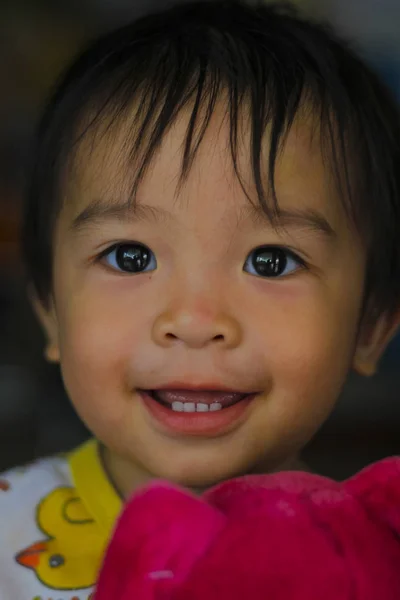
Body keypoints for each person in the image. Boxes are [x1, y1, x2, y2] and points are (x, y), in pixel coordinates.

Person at [1, 0, 400, 597]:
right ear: (49, 309)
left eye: (271, 261)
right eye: (130, 256)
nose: (193, 320)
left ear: (371, 324)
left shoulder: (366, 556)